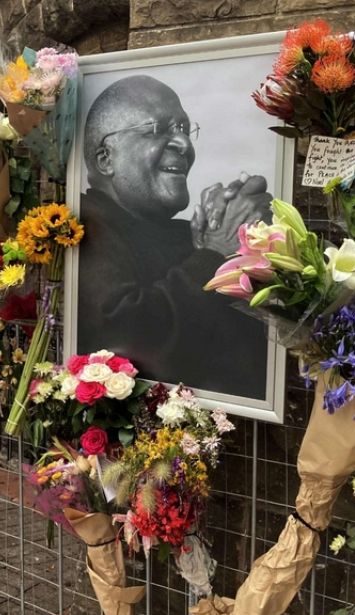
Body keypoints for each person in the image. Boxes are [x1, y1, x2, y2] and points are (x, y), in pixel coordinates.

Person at [78, 74, 272, 398]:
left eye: (184, 128)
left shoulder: (181, 234)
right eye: (157, 130)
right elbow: (124, 337)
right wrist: (213, 254)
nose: (184, 144)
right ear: (106, 158)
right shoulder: (83, 226)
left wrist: (249, 239)